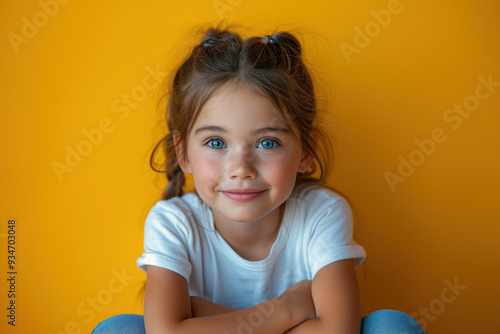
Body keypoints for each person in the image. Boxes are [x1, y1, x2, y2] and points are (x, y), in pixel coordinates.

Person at [92, 22, 426, 334]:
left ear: (306, 151)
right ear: (183, 153)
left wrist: (197, 315)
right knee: (119, 328)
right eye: (216, 143)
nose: (241, 168)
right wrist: (287, 308)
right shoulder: (173, 222)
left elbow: (337, 330)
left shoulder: (322, 213)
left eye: (267, 143)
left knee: (391, 326)